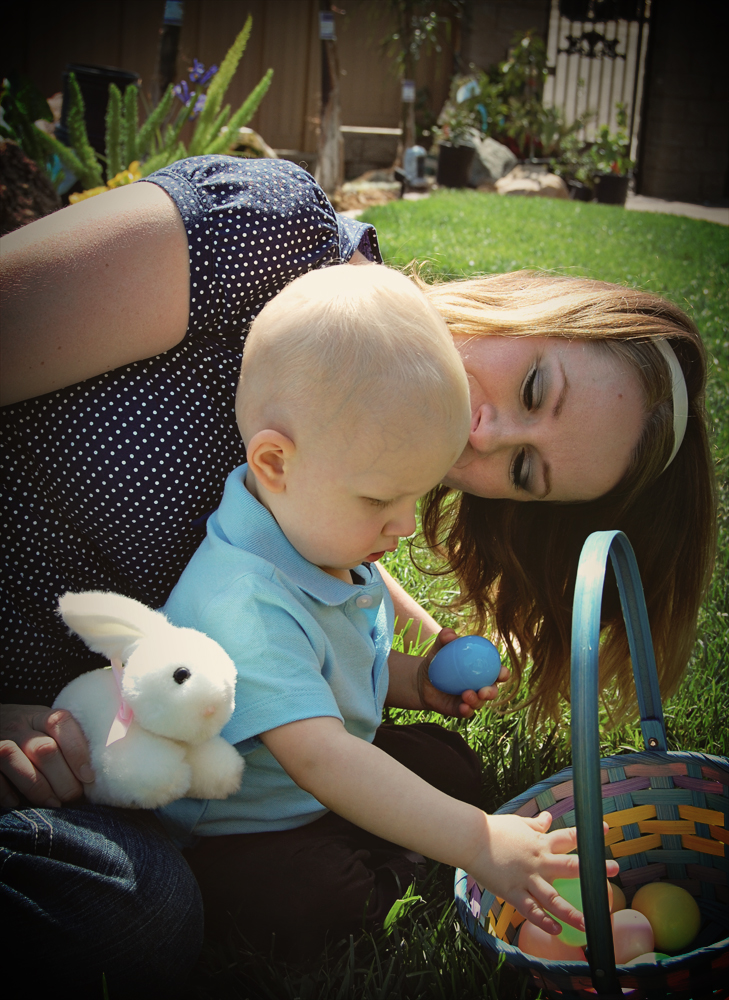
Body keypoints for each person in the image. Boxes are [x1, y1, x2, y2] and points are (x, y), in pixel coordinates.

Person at [0, 155, 715, 985]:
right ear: (525, 300)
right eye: (531, 384)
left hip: (98, 755)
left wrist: (415, 664)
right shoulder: (259, 235)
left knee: (442, 769)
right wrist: (474, 841)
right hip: (117, 761)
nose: (481, 437)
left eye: (522, 471)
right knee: (138, 914)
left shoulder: (350, 499)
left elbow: (334, 630)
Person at [158, 261, 615, 958]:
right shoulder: (239, 602)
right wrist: (475, 841)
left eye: (415, 497)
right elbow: (320, 759)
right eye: (381, 501)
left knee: (452, 767)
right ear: (275, 462)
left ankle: (397, 834)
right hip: (244, 826)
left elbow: (344, 661)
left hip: (329, 773)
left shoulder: (317, 531)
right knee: (318, 900)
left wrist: (415, 684)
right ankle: (394, 860)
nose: (402, 526)